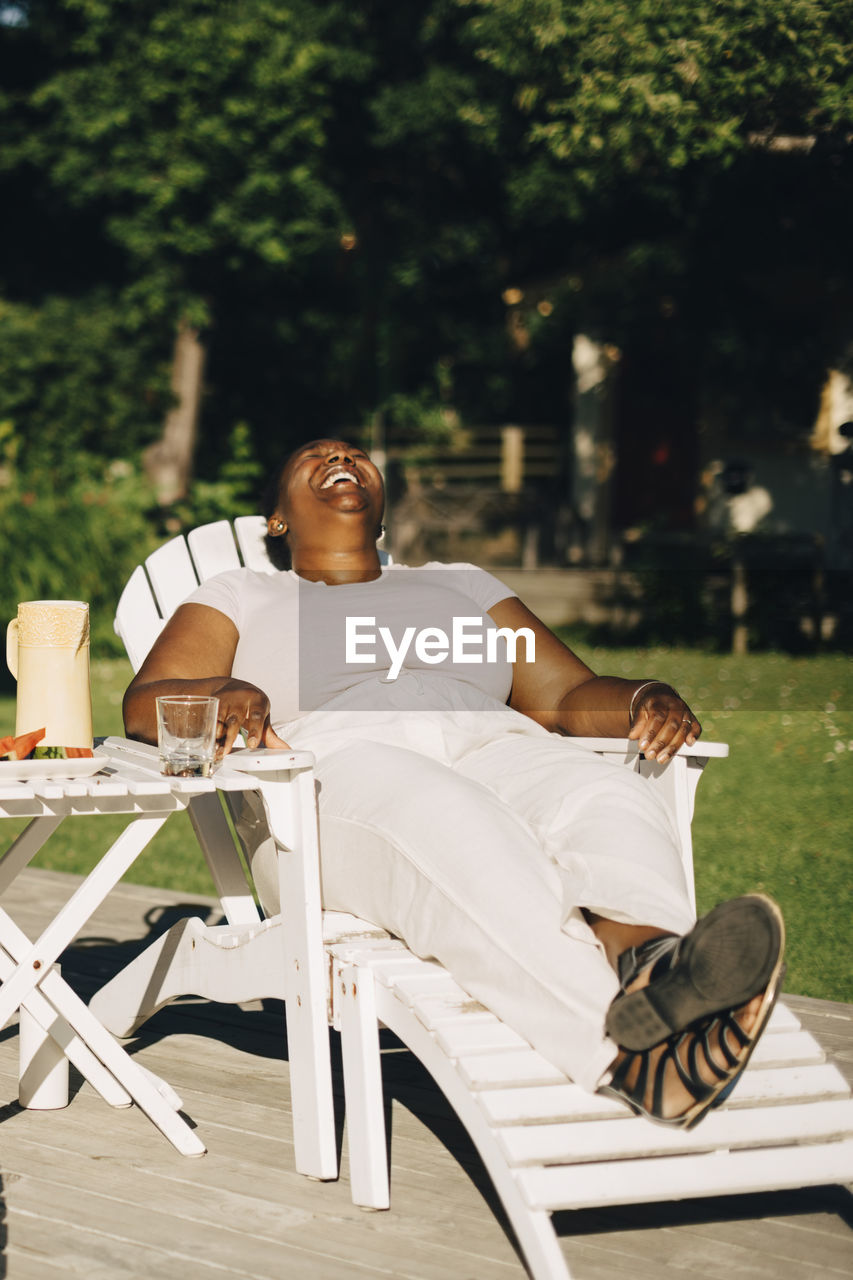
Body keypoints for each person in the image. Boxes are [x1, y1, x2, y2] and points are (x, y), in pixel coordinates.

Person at [123, 438, 785, 1129]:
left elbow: (566, 695)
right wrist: (222, 690)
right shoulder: (245, 592)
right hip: (326, 775)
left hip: (493, 745)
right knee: (450, 818)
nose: (338, 459)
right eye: (311, 458)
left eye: (352, 453)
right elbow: (147, 706)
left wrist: (642, 697)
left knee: (604, 792)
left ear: (380, 505)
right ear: (277, 521)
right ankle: (627, 1055)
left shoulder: (461, 585)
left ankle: (655, 961)